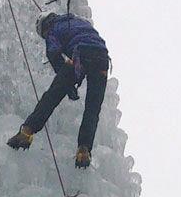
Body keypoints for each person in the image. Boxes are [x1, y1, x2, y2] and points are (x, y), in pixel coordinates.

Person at [6, 12, 111, 169]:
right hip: (102, 58)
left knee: (52, 96)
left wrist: (66, 83)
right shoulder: (77, 21)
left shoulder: (53, 29)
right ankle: (84, 150)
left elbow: (54, 53)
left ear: (45, 26)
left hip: (81, 53)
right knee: (92, 108)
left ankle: (26, 132)